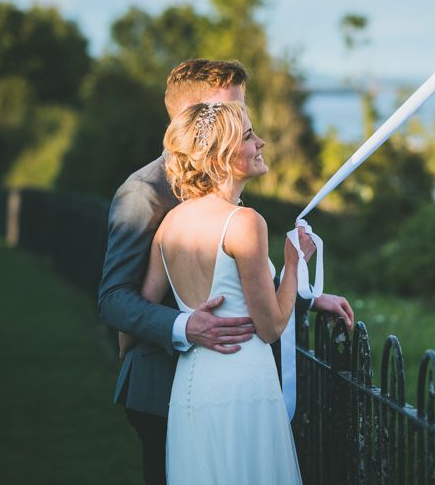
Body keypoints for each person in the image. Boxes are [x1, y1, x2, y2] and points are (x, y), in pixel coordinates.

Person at [98, 59, 353, 485]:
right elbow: (114, 298)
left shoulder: (203, 212)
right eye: (231, 112)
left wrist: (305, 297)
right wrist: (186, 326)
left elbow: (232, 274)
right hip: (163, 382)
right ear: (197, 120)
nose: (246, 125)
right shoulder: (144, 192)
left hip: (213, 374)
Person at [137, 101, 310, 483]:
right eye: (249, 136)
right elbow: (270, 326)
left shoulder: (170, 224)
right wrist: (294, 264)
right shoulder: (245, 222)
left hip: (190, 388)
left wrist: (182, 326)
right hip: (242, 385)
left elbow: (142, 308)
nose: (261, 142)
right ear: (221, 156)